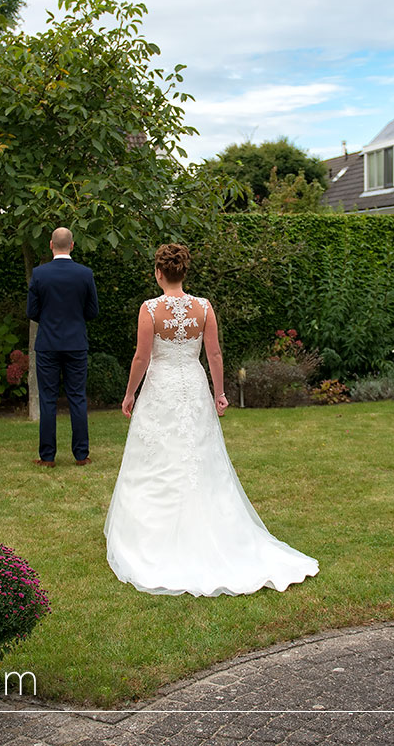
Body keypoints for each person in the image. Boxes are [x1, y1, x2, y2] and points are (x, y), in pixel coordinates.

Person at [104, 244, 318, 596]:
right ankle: (210, 526)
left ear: (159, 273)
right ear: (183, 272)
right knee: (199, 457)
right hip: (193, 386)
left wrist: (129, 394)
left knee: (158, 459)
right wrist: (219, 392)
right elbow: (214, 354)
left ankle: (152, 535)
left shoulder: (150, 310)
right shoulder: (203, 308)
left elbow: (142, 357)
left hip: (161, 389)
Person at [26, 227, 99, 467]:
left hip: (47, 343)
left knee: (47, 399)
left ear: (50, 245)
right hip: (76, 342)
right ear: (72, 245)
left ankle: (47, 457)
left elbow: (31, 312)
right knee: (77, 397)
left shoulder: (39, 274)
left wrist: (49, 321)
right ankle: (81, 455)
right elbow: (92, 311)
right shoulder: (85, 274)